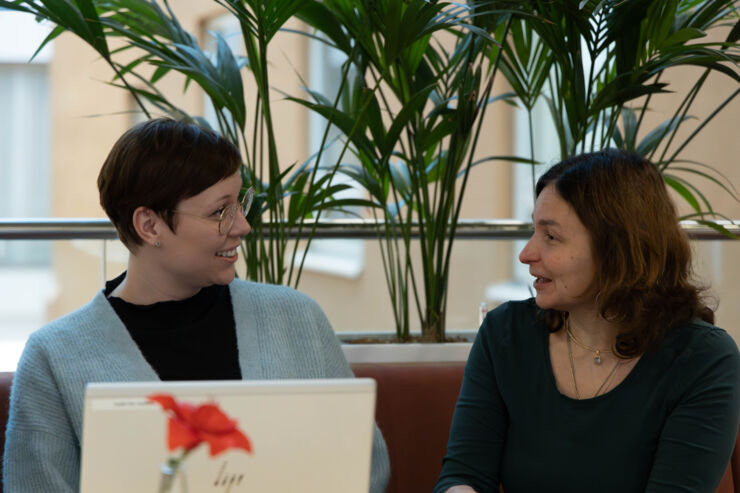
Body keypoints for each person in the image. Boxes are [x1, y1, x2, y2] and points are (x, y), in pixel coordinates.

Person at [3, 117, 390, 492]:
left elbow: (365, 468)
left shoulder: (298, 320)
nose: (242, 226)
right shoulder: (54, 358)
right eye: (220, 212)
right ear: (149, 226)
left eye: (241, 203)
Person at [435, 149, 740, 493]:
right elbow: (464, 474)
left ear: (617, 248)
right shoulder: (505, 335)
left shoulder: (702, 360)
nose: (526, 254)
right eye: (533, 231)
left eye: (551, 237)